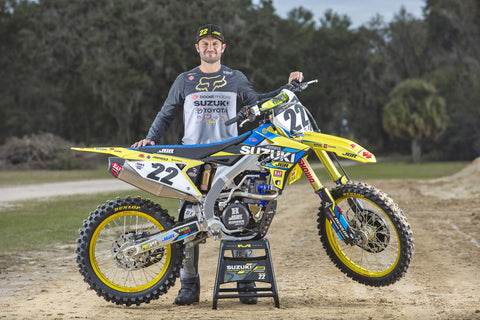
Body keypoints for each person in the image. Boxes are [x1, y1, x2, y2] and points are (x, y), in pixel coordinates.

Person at [132, 24, 303, 305]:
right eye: (205, 44)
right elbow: (166, 114)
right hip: (192, 159)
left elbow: (259, 102)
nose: (210, 48)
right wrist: (150, 139)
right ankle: (189, 285)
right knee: (188, 221)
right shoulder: (184, 80)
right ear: (197, 48)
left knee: (241, 219)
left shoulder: (236, 78)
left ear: (223, 48)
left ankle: (245, 281)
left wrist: (288, 88)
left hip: (231, 157)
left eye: (215, 44)